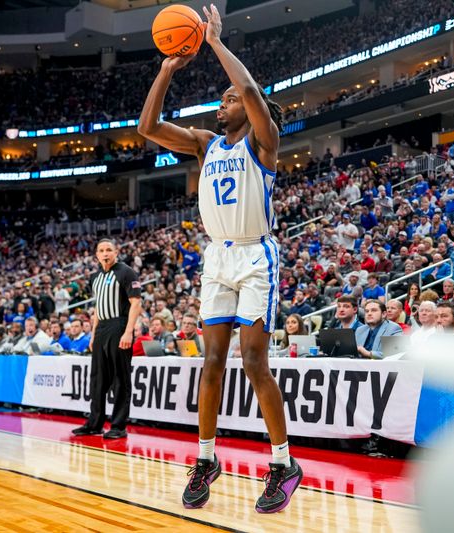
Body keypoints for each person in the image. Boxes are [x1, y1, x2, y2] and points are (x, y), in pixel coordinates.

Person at [137, 5, 302, 512]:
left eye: (226, 99)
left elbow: (251, 93)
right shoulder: (207, 144)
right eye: (222, 99)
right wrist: (165, 70)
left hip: (255, 254)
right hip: (217, 259)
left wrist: (212, 42)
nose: (222, 103)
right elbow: (148, 127)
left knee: (254, 361)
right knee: (210, 362)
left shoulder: (264, 141)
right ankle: (206, 458)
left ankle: (283, 464)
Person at [72, 239, 141, 440]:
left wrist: (128, 332)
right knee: (98, 379)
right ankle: (94, 424)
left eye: (109, 250)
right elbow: (97, 309)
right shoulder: (96, 277)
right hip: (101, 328)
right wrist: (93, 335)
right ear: (96, 255)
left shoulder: (126, 272)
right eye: (101, 250)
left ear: (116, 252)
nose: (105, 253)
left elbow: (136, 303)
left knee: (121, 378)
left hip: (119, 326)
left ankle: (118, 426)